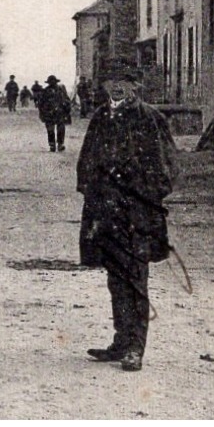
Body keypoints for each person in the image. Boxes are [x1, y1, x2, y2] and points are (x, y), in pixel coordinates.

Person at [78, 74, 177, 373]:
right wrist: (92, 193)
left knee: (135, 277)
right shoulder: (100, 117)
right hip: (106, 210)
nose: (117, 86)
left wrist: (144, 196)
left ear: (136, 85)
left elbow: (166, 166)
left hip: (136, 212)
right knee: (115, 277)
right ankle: (120, 342)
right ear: (104, 85)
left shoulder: (149, 117)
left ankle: (136, 347)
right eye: (111, 81)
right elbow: (87, 159)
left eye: (124, 80)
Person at [39, 75, 74, 152]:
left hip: (60, 113)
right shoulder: (45, 91)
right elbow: (41, 104)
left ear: (56, 82)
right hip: (49, 113)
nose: (52, 83)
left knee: (61, 129)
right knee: (50, 130)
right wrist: (42, 113)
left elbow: (67, 100)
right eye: (50, 82)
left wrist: (67, 110)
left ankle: (60, 144)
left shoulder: (61, 90)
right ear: (48, 83)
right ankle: (52, 145)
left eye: (53, 82)